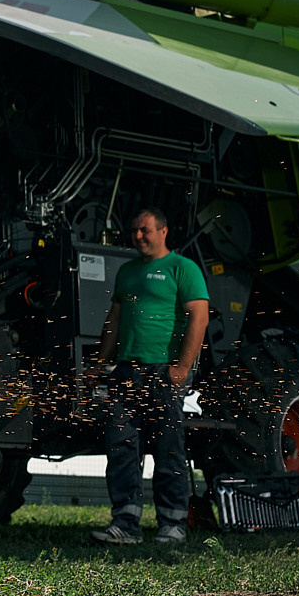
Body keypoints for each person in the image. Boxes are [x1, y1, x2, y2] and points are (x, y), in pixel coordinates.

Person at [86, 207, 209, 546]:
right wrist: (100, 363)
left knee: (168, 450)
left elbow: (199, 318)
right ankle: (126, 524)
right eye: (135, 231)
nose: (138, 236)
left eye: (145, 230)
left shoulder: (182, 269)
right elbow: (114, 319)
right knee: (122, 447)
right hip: (126, 371)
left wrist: (182, 369)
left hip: (162, 373)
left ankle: (172, 525)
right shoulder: (126, 272)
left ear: (164, 231)